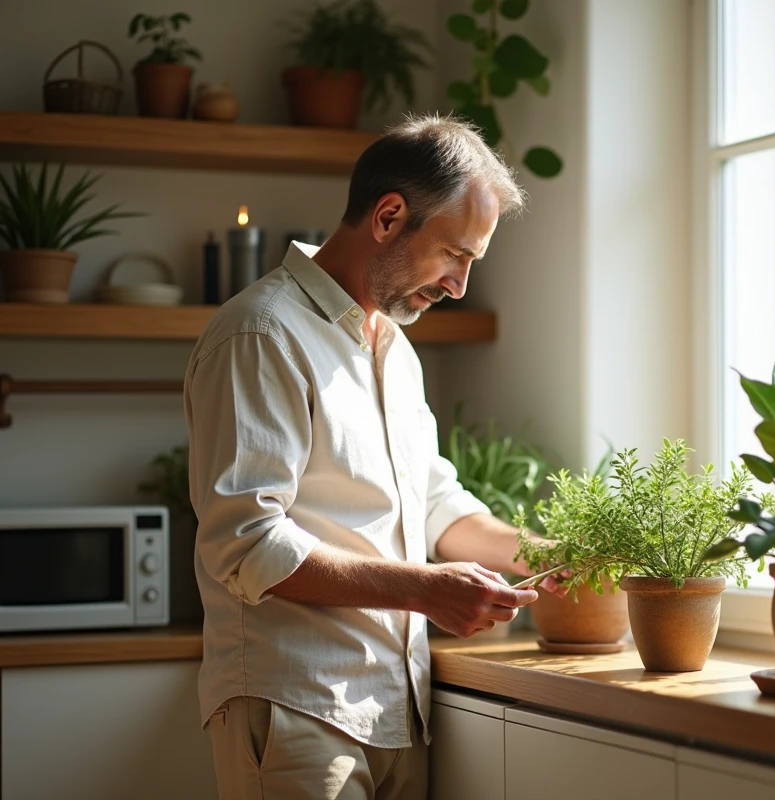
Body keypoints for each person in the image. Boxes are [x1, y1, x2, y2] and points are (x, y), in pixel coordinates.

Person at [185, 114, 559, 800]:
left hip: (395, 711)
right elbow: (245, 544)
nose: (460, 286)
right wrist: (425, 588)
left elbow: (434, 502)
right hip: (297, 710)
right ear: (388, 217)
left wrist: (547, 555)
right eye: (455, 255)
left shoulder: (393, 348)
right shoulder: (261, 333)